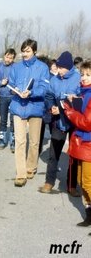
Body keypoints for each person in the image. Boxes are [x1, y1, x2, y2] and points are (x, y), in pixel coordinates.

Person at [8, 39, 49, 187]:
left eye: (28, 51)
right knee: (19, 141)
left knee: (34, 142)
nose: (25, 54)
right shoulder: (16, 67)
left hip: (35, 107)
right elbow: (11, 84)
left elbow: (45, 88)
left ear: (34, 51)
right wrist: (14, 89)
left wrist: (31, 93)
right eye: (23, 51)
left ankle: (31, 167)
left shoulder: (43, 68)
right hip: (18, 106)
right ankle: (20, 174)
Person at [39, 51, 81, 195]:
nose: (59, 71)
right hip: (58, 121)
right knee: (54, 152)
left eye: (62, 68)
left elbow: (80, 101)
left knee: (73, 155)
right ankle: (49, 182)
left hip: (75, 121)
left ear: (69, 67)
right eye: (58, 67)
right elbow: (49, 96)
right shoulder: (55, 79)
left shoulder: (78, 78)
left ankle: (71, 185)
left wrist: (65, 108)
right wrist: (52, 107)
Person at [63, 61, 91, 228]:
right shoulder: (84, 92)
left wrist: (70, 111)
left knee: (88, 182)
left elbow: (87, 122)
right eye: (83, 74)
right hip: (82, 143)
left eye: (88, 75)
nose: (84, 78)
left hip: (88, 144)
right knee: (81, 180)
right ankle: (89, 216)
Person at [0, 48, 16, 152]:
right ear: (4, 56)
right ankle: (2, 140)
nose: (8, 59)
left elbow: (20, 80)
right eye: (7, 56)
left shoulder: (16, 67)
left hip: (14, 97)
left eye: (11, 58)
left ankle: (13, 141)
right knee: (3, 119)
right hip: (3, 97)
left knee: (13, 120)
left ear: (13, 58)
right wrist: (1, 82)